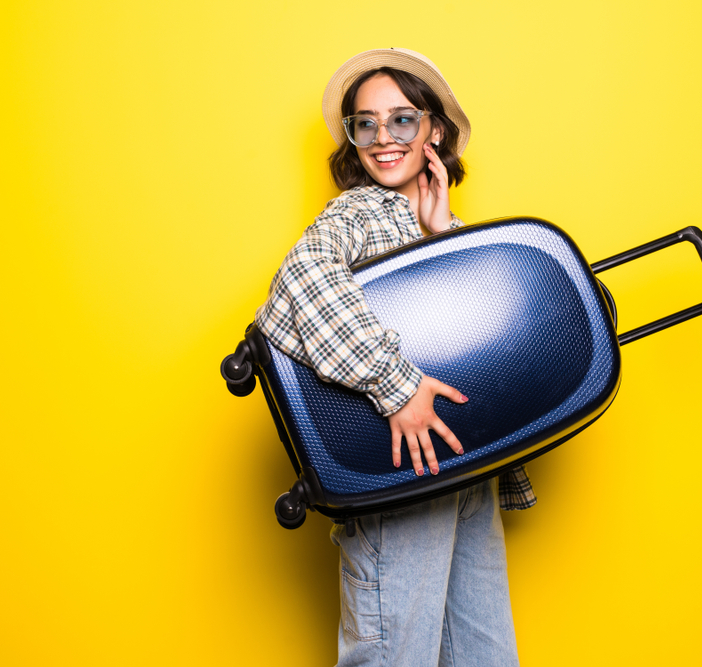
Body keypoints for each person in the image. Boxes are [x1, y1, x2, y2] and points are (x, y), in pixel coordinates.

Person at [255, 48, 534, 666]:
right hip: (400, 475)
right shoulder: (357, 212)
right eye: (366, 123)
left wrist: (443, 239)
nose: (383, 138)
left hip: (463, 472)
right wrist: (396, 386)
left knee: (486, 657)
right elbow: (302, 280)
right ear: (352, 140)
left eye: (402, 119)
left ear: (434, 129)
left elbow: (480, 344)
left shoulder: (441, 226)